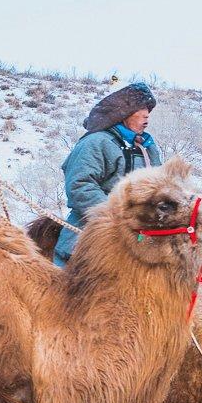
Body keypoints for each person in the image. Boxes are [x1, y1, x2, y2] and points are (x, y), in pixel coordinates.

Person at [55, 82, 161, 265]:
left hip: (138, 243)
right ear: (125, 114)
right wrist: (121, 215)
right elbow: (79, 186)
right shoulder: (96, 143)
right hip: (87, 238)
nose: (147, 117)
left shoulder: (147, 148)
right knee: (68, 290)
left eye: (148, 112)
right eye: (142, 111)